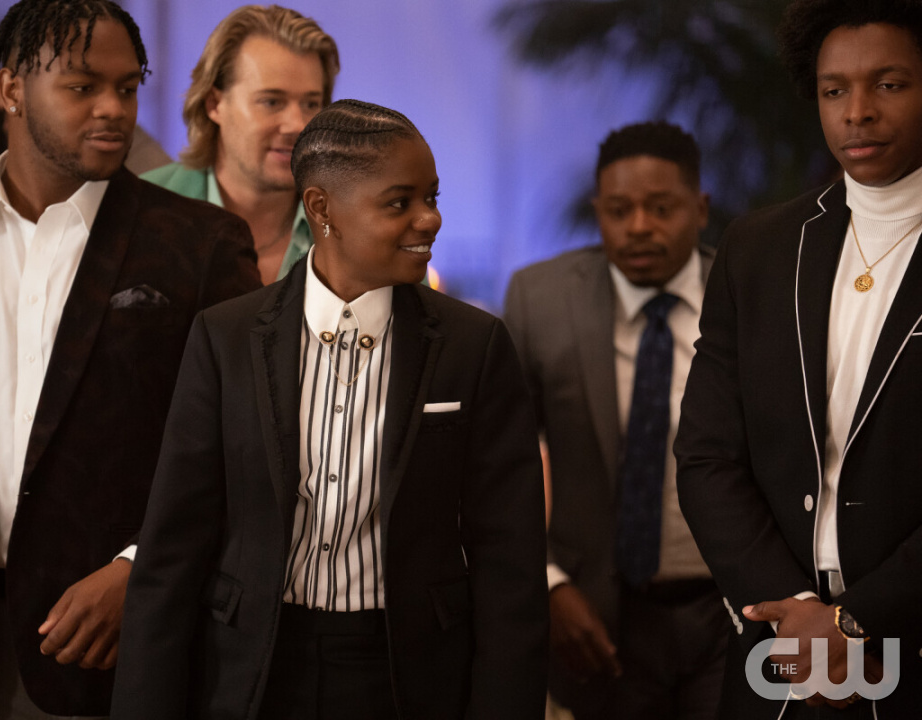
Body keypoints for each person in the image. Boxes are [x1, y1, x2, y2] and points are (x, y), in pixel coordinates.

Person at [0, 0, 260, 718]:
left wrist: (142, 568)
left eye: (127, 87)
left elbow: (242, 442)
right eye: (82, 86)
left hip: (122, 650)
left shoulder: (202, 244)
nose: (113, 108)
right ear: (10, 89)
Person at [112, 99, 547, 720]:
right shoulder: (226, 336)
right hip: (252, 670)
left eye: (432, 197)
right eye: (399, 202)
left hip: (407, 675)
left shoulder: (474, 346)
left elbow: (511, 563)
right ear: (321, 209)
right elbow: (173, 548)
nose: (430, 219)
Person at [675, 0, 922, 717]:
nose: (858, 112)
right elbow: (707, 456)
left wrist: (857, 621)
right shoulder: (759, 249)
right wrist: (797, 615)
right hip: (781, 651)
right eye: (833, 90)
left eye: (889, 84)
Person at [504, 121, 728, 720]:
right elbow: (497, 465)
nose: (639, 227)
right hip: (594, 611)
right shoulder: (542, 300)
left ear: (700, 208)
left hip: (729, 611)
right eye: (619, 210)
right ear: (598, 210)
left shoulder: (749, 294)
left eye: (662, 208)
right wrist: (547, 582)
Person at [142, 4, 339, 285]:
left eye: (310, 104)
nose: (297, 124)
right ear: (215, 104)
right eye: (272, 101)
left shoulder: (349, 221)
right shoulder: (141, 211)